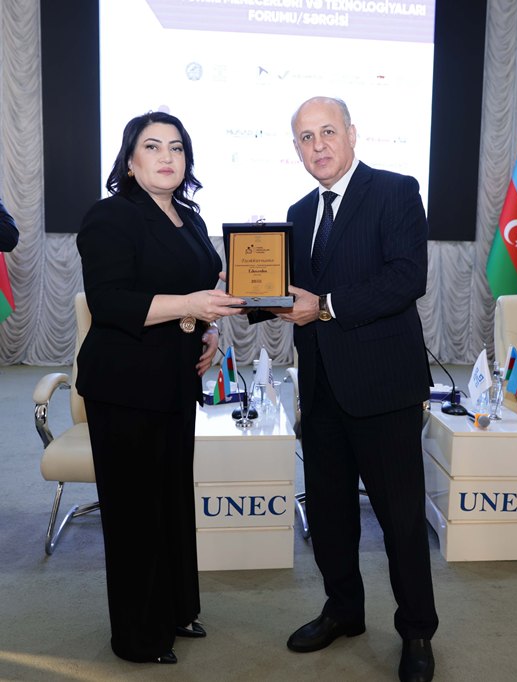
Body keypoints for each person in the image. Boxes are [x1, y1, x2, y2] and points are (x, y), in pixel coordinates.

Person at [278, 97, 438, 682]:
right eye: (305, 137)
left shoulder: (395, 191)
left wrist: (324, 306)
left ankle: (417, 631)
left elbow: (406, 278)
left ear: (351, 133)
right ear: (296, 149)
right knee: (329, 515)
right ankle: (344, 610)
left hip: (383, 388)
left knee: (400, 520)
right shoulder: (298, 211)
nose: (317, 145)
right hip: (321, 390)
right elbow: (293, 296)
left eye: (327, 132)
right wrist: (249, 293)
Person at [76, 111, 245, 664]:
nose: (167, 156)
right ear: (130, 161)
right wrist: (192, 305)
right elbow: (110, 302)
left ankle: (175, 610)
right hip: (124, 385)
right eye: (152, 147)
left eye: (176, 147)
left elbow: (197, 290)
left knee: (171, 501)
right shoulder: (109, 216)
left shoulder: (189, 217)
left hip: (175, 380)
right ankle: (138, 637)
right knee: (134, 512)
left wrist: (209, 328)